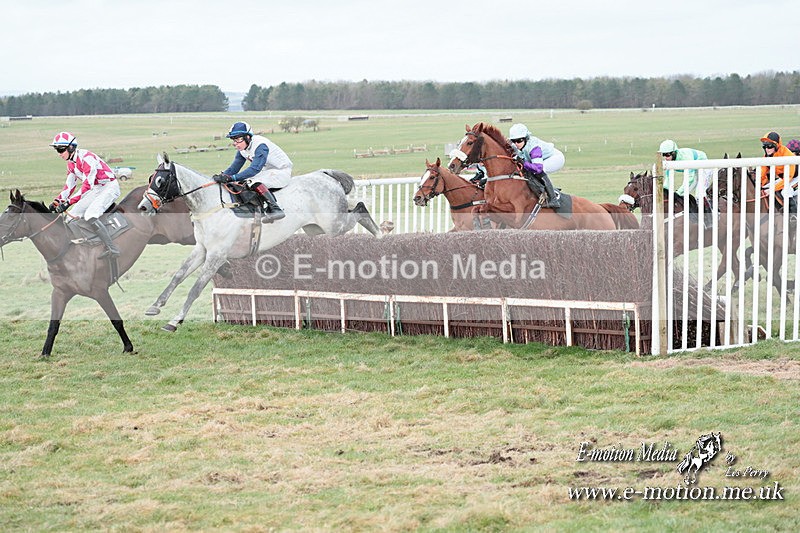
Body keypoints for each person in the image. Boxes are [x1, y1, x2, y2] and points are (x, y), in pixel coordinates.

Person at [50, 132, 121, 257]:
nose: (59, 154)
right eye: (57, 150)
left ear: (71, 147)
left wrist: (68, 202)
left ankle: (112, 248)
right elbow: (69, 186)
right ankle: (83, 244)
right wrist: (58, 201)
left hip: (109, 186)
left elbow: (87, 185)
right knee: (71, 217)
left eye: (61, 150)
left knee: (90, 215)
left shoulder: (86, 158)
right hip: (96, 188)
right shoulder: (71, 164)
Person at [213, 122, 292, 223]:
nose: (235, 143)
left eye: (238, 139)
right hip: (267, 172)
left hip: (281, 171)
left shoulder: (260, 145)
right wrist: (222, 176)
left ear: (247, 137)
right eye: (234, 140)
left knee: (251, 181)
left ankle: (275, 209)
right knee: (242, 183)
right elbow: (234, 168)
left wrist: (231, 178)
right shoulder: (242, 149)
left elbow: (254, 169)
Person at [508, 123, 564, 208]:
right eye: (513, 141)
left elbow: (538, 168)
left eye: (519, 140)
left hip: (555, 158)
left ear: (526, 138)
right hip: (540, 160)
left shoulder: (534, 147)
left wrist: (524, 163)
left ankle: (553, 199)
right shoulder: (517, 145)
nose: (516, 144)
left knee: (539, 171)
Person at [759, 132, 798, 213]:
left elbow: (789, 178)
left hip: (795, 179)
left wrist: (773, 189)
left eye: (769, 146)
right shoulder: (767, 156)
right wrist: (759, 184)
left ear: (776, 145)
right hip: (784, 179)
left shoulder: (787, 155)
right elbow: (762, 174)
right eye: (764, 146)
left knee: (786, 192)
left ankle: (794, 217)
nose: (767, 149)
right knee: (765, 188)